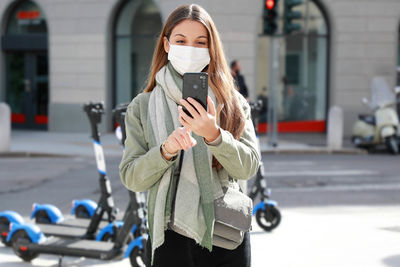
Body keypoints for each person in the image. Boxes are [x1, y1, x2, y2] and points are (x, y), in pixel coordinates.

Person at [119, 4, 259, 267]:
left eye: (200, 42)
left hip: (226, 233)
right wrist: (165, 151)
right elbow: (131, 177)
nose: (190, 49)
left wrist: (214, 135)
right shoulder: (143, 106)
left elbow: (249, 166)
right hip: (169, 235)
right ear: (167, 45)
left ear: (210, 48)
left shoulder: (233, 103)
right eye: (181, 40)